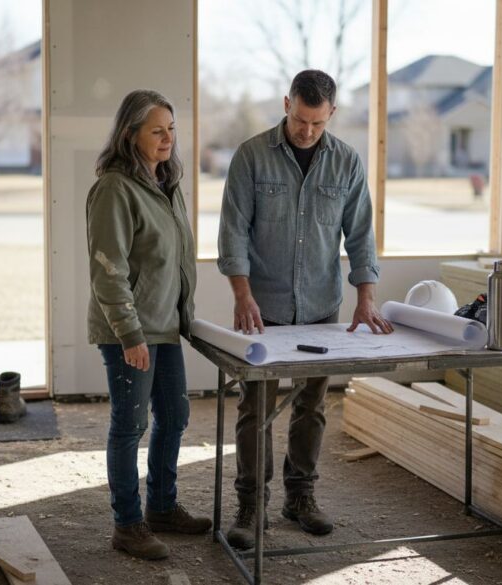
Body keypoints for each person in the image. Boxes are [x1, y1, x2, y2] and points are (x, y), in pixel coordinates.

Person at [217, 70, 394, 550]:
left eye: (317, 123)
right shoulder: (252, 156)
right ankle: (252, 506)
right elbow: (232, 231)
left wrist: (365, 298)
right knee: (256, 408)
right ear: (286, 104)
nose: (307, 131)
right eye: (300, 120)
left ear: (331, 113)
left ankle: (300, 498)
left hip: (320, 306)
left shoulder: (348, 163)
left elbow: (361, 238)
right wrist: (241, 294)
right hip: (263, 308)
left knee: (312, 406)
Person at [87, 89, 211, 561]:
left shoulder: (166, 183)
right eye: (156, 130)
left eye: (171, 129)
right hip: (131, 331)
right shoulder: (115, 189)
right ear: (129, 134)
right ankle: (128, 524)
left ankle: (161, 507)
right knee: (129, 426)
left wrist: (184, 318)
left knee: (175, 418)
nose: (167, 139)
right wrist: (129, 334)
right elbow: (108, 269)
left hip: (165, 327)